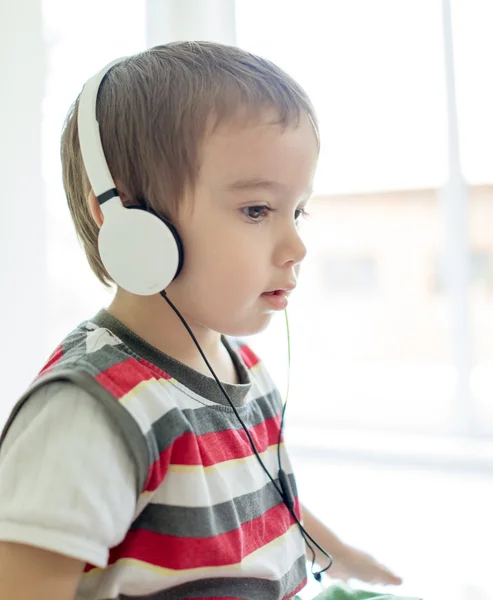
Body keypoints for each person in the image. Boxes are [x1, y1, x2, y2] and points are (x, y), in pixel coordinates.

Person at [0, 41, 401, 600]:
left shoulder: (245, 370)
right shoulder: (91, 413)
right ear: (130, 221)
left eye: (298, 210)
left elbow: (264, 504)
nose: (296, 246)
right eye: (257, 210)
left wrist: (344, 558)